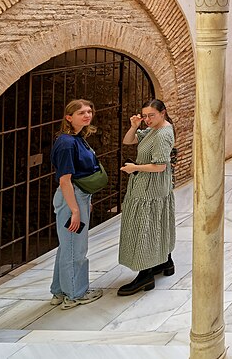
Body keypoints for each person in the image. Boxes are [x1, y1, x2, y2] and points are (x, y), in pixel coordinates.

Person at [116, 98, 176, 296]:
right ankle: (165, 261)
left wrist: (134, 168)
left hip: (149, 188)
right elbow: (128, 140)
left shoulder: (162, 134)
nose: (148, 119)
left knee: (144, 226)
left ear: (163, 113)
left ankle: (146, 275)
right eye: (145, 116)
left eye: (152, 115)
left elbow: (160, 166)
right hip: (154, 187)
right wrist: (134, 126)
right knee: (157, 221)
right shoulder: (153, 130)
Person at [48, 99, 105, 309]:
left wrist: (84, 202)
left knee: (67, 247)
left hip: (78, 197)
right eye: (81, 112)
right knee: (75, 249)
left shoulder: (78, 138)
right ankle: (75, 294)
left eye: (89, 111)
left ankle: (59, 291)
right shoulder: (66, 143)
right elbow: (65, 180)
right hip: (70, 197)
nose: (87, 115)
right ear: (69, 117)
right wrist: (75, 210)